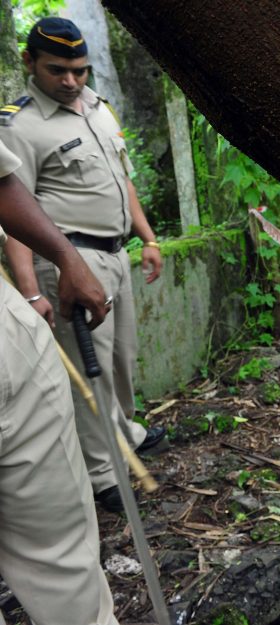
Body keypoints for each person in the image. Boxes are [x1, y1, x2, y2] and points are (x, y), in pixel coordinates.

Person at [0, 17, 166, 513]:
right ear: (30, 62)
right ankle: (102, 474)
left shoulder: (98, 108)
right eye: (57, 70)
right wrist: (32, 293)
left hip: (115, 253)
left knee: (120, 358)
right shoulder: (19, 126)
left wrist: (148, 237)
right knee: (89, 370)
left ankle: (126, 435)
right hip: (70, 262)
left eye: (79, 69)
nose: (70, 81)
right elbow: (13, 214)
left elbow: (123, 179)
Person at [0, 137, 120, 624]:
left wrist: (66, 257)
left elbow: (1, 184)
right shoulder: (28, 125)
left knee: (66, 566)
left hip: (11, 358)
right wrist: (32, 289)